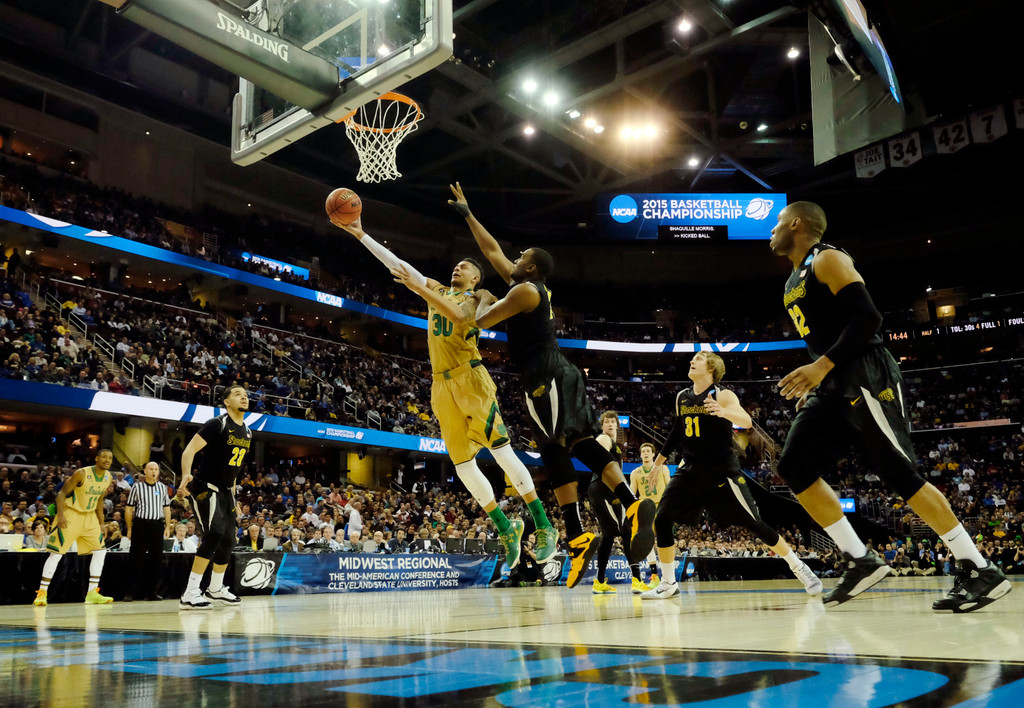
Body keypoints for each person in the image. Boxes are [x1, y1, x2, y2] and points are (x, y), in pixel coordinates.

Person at [769, 201, 1010, 611]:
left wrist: (821, 365)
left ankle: (978, 567)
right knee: (792, 466)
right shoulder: (793, 278)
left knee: (899, 474)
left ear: (796, 224)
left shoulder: (826, 258)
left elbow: (868, 319)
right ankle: (861, 559)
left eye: (776, 223)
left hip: (865, 374)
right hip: (831, 383)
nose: (770, 233)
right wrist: (819, 376)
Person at [441, 182, 655, 588]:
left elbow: (480, 321)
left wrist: (483, 295)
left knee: (554, 451)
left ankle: (579, 535)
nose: (515, 258)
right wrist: (468, 213)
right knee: (579, 444)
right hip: (557, 370)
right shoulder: (529, 284)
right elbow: (491, 253)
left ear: (533, 268)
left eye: (521, 257)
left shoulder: (524, 290)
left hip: (543, 374)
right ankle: (626, 506)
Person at [335, 214, 558, 571]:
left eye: (466, 266)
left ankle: (544, 524)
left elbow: (459, 317)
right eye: (457, 264)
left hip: (472, 379)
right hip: (440, 384)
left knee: (500, 451)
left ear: (476, 278)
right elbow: (399, 266)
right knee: (463, 465)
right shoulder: (437, 289)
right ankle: (505, 528)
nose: (458, 267)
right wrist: (362, 234)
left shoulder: (481, 298)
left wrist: (421, 289)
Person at [641, 352, 822, 600]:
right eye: (692, 358)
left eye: (699, 358)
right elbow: (677, 430)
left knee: (754, 524)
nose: (692, 361)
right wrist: (659, 461)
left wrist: (722, 412)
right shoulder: (682, 396)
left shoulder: (722, 395)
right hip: (690, 469)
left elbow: (746, 420)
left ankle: (800, 567)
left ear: (712, 367)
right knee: (661, 519)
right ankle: (668, 582)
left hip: (721, 471)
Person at [175, 385, 251, 610]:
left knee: (229, 539)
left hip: (227, 491)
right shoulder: (217, 424)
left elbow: (234, 469)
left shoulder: (247, 431)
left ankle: (216, 588)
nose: (244, 397)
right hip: (206, 487)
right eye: (237, 394)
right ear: (226, 402)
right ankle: (190, 593)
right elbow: (188, 451)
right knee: (215, 533)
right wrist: (186, 474)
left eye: (245, 395)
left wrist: (235, 498)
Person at [33, 449, 115, 606]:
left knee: (101, 551)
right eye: (104, 456)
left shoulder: (108, 477)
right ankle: (42, 593)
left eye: (110, 458)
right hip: (72, 514)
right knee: (56, 554)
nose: (107, 460)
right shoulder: (81, 473)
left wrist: (101, 522)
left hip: (90, 517)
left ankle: (92, 593)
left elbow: (99, 500)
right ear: (96, 458)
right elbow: (62, 494)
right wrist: (61, 515)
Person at [589, 412, 648, 595]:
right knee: (623, 532)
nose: (610, 424)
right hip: (603, 488)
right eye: (606, 422)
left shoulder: (616, 445)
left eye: (612, 422)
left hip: (609, 490)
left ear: (617, 425)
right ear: (602, 426)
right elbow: (599, 456)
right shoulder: (604, 439)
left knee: (611, 535)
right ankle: (636, 580)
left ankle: (600, 582)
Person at [125, 461, 171, 601]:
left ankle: (151, 592)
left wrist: (168, 526)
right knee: (136, 558)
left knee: (156, 560)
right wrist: (129, 528)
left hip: (157, 525)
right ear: (144, 471)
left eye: (156, 469)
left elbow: (166, 507)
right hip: (141, 525)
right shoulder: (137, 487)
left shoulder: (162, 488)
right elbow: (129, 508)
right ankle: (131, 592)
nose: (154, 471)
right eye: (151, 468)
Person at [630, 440, 671, 587]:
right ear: (640, 455)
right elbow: (632, 494)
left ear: (654, 454)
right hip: (645, 508)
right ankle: (654, 576)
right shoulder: (635, 473)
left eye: (648, 451)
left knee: (663, 541)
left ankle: (668, 576)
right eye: (643, 452)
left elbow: (669, 488)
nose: (646, 454)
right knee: (647, 542)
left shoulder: (663, 469)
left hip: (661, 507)